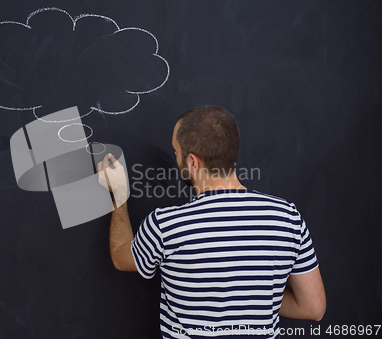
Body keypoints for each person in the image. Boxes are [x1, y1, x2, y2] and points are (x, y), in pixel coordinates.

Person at [97, 105, 326, 338]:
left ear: (193, 162)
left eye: (176, 152)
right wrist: (253, 300)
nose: (175, 157)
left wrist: (118, 195)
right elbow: (313, 307)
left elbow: (119, 256)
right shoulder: (288, 218)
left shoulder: (166, 226)